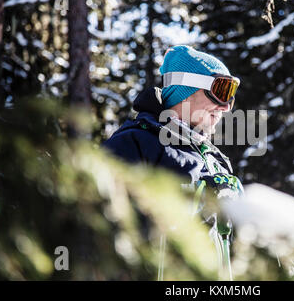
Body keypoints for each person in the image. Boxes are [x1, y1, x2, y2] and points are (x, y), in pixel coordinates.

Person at [102, 44, 244, 207]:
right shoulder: (134, 143)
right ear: (185, 92)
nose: (226, 107)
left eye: (230, 94)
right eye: (221, 91)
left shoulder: (215, 160)